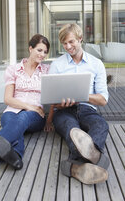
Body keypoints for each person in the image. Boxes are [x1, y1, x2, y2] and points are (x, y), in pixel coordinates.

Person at [46, 23, 110, 185]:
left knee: (101, 125)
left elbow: (102, 99)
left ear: (80, 39)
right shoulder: (57, 65)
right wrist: (59, 105)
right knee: (70, 127)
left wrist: (81, 96)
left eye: (71, 42)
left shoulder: (96, 64)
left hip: (87, 109)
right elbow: (51, 100)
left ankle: (74, 166)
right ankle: (94, 158)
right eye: (64, 43)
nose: (68, 47)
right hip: (64, 111)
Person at [0, 34, 50, 170]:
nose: (42, 55)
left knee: (22, 117)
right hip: (12, 111)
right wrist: (29, 106)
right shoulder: (13, 70)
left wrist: (48, 119)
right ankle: (15, 156)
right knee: (15, 125)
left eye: (45, 52)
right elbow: (8, 99)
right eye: (39, 50)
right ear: (30, 48)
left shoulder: (47, 71)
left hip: (36, 116)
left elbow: (53, 96)